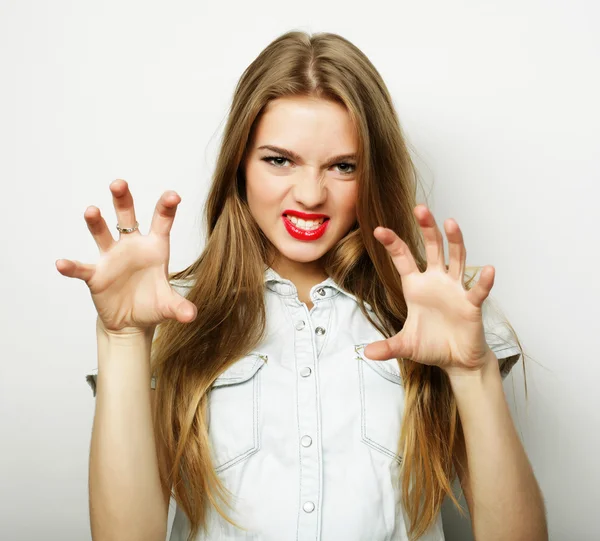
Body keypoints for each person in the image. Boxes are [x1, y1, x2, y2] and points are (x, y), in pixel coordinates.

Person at [56, 31, 547, 541]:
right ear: (240, 165)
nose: (311, 195)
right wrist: (122, 340)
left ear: (372, 172)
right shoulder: (167, 313)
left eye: (342, 166)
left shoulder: (441, 308)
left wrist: (473, 373)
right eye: (279, 159)